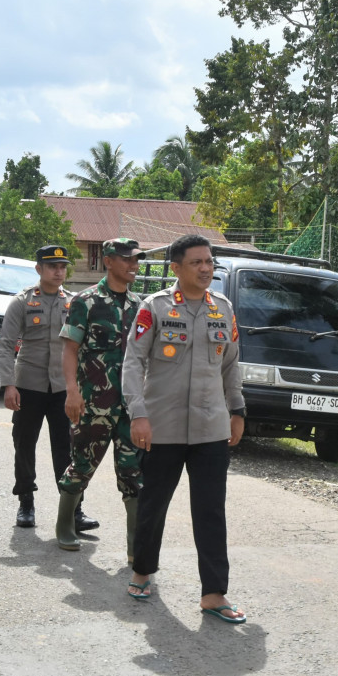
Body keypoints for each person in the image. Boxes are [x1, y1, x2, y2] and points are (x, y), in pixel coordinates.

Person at [122, 234, 248, 623]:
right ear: (176, 268)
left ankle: (214, 593)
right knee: (153, 503)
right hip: (163, 427)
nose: (206, 268)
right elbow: (132, 363)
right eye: (197, 263)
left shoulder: (223, 309)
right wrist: (138, 414)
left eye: (209, 262)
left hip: (211, 428)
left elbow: (230, 365)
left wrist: (238, 409)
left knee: (211, 510)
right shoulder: (154, 308)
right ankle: (142, 571)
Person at [57, 237, 145, 557]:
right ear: (108, 261)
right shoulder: (86, 301)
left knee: (134, 474)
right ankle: (65, 525)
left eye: (136, 259)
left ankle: (136, 548)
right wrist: (72, 390)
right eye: (127, 259)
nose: (134, 264)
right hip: (95, 402)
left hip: (131, 405)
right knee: (82, 465)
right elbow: (70, 349)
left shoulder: (140, 306)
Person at [0, 245, 96, 532]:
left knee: (67, 447)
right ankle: (26, 503)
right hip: (29, 385)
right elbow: (6, 345)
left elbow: (83, 346)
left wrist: (80, 388)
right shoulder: (22, 302)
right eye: (52, 266)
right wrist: (9, 385)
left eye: (63, 266)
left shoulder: (75, 303)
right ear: (39, 268)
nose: (59, 271)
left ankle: (73, 510)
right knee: (24, 444)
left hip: (64, 387)